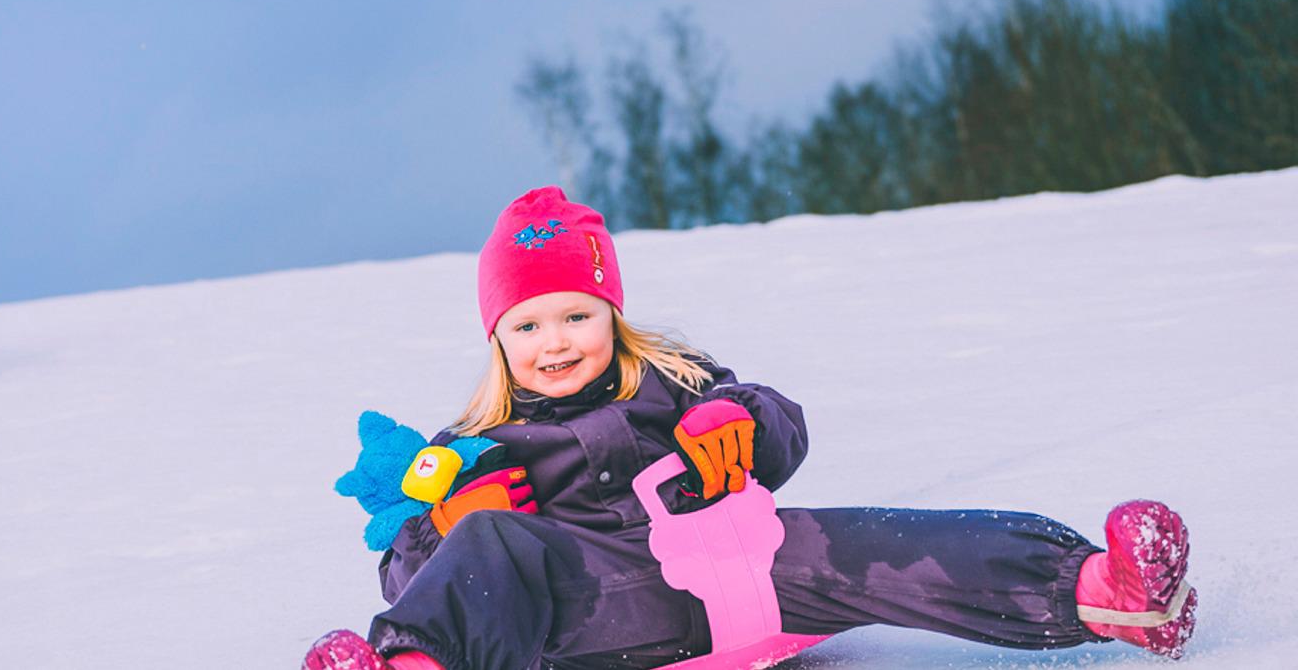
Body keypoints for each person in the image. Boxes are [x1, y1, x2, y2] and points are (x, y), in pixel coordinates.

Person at [304, 187, 1196, 669]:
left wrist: (736, 420)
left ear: (613, 314)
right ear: (496, 342)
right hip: (576, 615)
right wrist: (447, 530)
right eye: (527, 326)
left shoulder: (676, 383)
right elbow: (408, 571)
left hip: (740, 573)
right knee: (492, 543)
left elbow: (778, 428)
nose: (554, 342)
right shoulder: (466, 449)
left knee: (886, 545)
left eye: (575, 315)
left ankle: (1110, 592)